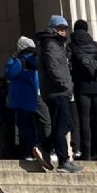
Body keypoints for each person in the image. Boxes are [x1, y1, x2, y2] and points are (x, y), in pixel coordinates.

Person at [35, 15, 82, 173]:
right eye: (60, 28)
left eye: (65, 29)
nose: (63, 31)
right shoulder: (51, 45)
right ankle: (63, 161)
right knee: (63, 125)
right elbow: (54, 68)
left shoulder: (54, 44)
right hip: (58, 91)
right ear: (54, 29)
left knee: (62, 124)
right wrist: (66, 85)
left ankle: (45, 147)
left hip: (58, 91)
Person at [68, 19, 97, 162]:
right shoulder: (96, 45)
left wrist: (75, 75)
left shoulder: (71, 46)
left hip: (81, 86)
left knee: (84, 119)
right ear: (87, 30)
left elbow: (67, 63)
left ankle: (86, 153)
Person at [4, 38, 51, 169]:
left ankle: (32, 147)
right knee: (45, 120)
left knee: (24, 124)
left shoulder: (18, 61)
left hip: (19, 99)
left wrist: (12, 59)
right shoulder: (32, 59)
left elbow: (8, 74)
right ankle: (45, 148)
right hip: (33, 95)